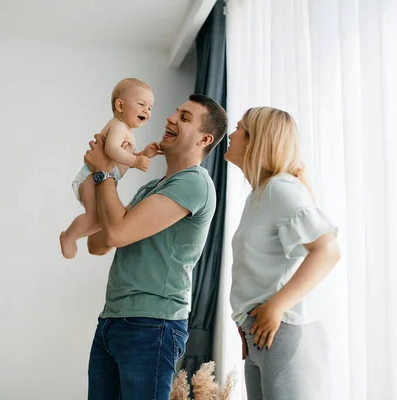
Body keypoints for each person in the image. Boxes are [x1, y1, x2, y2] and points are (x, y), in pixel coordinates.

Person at [82, 94, 228, 400]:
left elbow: (118, 233)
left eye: (185, 117)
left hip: (152, 326)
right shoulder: (152, 187)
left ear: (205, 139)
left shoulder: (194, 183)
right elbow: (99, 243)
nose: (171, 118)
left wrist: (104, 172)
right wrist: (106, 171)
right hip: (113, 320)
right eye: (176, 112)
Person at [224, 106, 341, 399]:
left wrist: (275, 307)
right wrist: (246, 319)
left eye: (238, 128)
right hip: (259, 334)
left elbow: (328, 250)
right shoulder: (259, 195)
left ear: (255, 140)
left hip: (282, 331)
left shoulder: (281, 189)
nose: (231, 134)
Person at [60, 78, 161, 259]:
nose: (147, 111)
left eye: (150, 108)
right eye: (142, 105)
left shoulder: (126, 131)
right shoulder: (118, 125)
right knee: (96, 218)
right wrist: (136, 162)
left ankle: (72, 236)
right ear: (120, 106)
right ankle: (69, 237)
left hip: (100, 175)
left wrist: (142, 154)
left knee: (101, 220)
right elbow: (111, 150)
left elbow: (120, 161)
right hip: (91, 177)